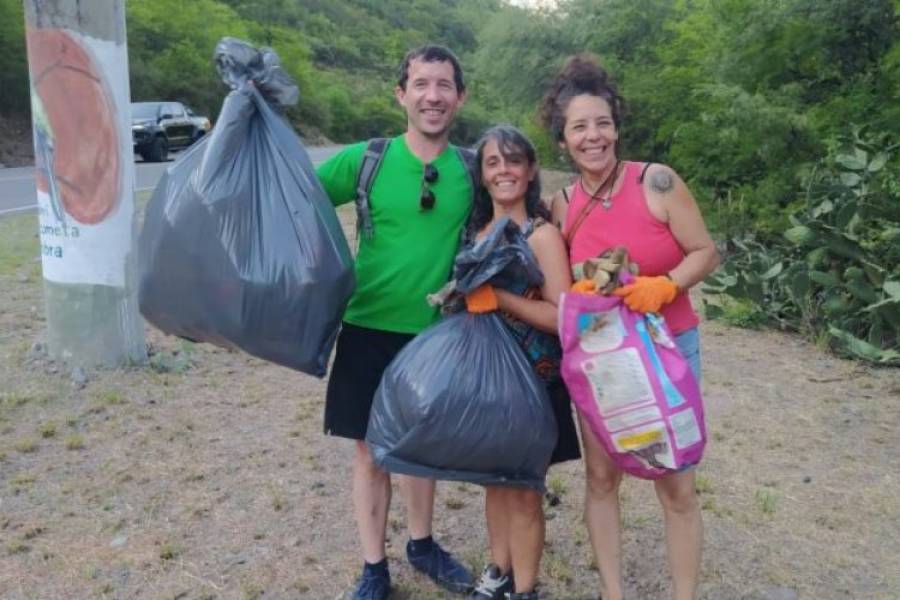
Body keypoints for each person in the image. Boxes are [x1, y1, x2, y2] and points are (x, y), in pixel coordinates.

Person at [540, 55, 720, 600]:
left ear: (616, 125)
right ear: (563, 139)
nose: (593, 136)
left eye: (601, 123)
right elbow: (560, 287)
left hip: (669, 350)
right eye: (579, 127)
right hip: (604, 361)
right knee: (601, 479)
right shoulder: (561, 206)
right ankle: (613, 593)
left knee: (677, 484)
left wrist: (665, 286)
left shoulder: (657, 181)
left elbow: (705, 252)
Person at [315, 45, 476, 600]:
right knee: (369, 450)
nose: (433, 96)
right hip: (366, 325)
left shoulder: (474, 169)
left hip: (435, 334)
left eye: (444, 85)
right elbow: (296, 202)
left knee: (423, 446)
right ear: (401, 93)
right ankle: (372, 566)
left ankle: (423, 543)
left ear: (460, 97)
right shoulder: (367, 160)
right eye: (421, 84)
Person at [463, 126, 581, 600]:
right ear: (483, 174)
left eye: (513, 161)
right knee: (493, 483)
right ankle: (498, 573)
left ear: (530, 170)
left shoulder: (542, 235)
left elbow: (561, 316)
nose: (503, 170)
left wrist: (502, 299)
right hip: (485, 380)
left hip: (534, 381)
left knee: (526, 490)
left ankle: (526, 590)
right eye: (493, 162)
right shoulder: (476, 233)